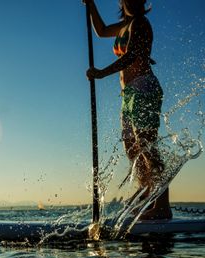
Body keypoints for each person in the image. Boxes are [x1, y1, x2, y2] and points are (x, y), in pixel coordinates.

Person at [83, 0, 172, 219]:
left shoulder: (141, 23)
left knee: (147, 146)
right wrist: (91, 4)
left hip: (144, 88)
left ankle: (162, 205)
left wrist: (102, 73)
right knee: (132, 149)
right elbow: (102, 30)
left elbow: (131, 55)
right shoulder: (124, 26)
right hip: (128, 95)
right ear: (122, 3)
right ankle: (148, 192)